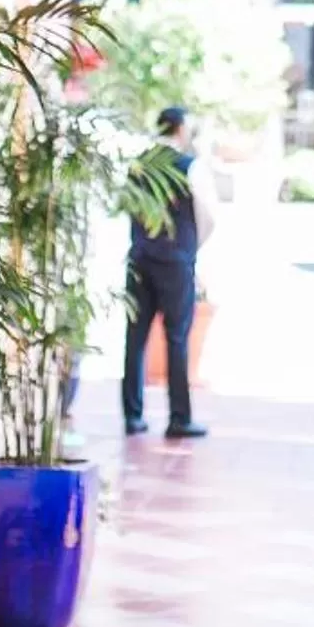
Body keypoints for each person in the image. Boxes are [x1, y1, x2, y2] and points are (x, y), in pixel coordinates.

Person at [121, 104, 213, 440]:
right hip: (175, 261)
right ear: (181, 128)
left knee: (135, 338)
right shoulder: (190, 167)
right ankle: (179, 417)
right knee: (176, 338)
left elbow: (128, 208)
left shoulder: (138, 166)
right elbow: (208, 217)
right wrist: (190, 249)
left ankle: (133, 415)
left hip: (140, 256)